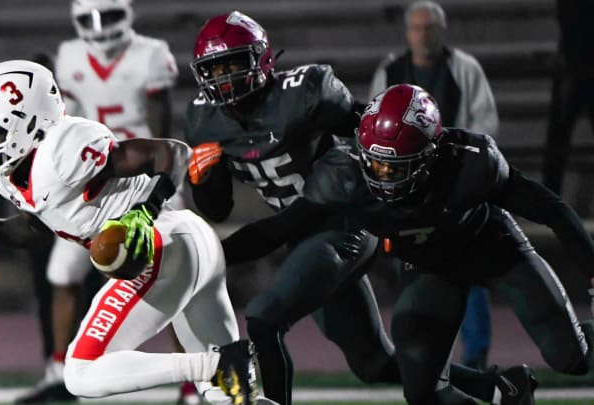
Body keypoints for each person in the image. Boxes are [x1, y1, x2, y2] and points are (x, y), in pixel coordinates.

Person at [185, 11, 536, 405]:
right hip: (301, 235)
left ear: (263, 58)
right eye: (214, 68)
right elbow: (217, 208)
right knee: (373, 363)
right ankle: (502, 389)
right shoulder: (203, 119)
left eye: (233, 63)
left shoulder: (306, 92)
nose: (225, 77)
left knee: (265, 320)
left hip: (344, 222)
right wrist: (206, 180)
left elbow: (376, 133)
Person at [0, 59, 260, 405]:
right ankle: (221, 367)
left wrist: (144, 211)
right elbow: (35, 229)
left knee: (81, 372)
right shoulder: (13, 176)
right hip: (186, 244)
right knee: (229, 398)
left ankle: (215, 362)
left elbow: (171, 151)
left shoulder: (62, 149)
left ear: (29, 123)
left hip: (161, 244)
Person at [284, 83, 592, 404]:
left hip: (491, 248)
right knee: (421, 391)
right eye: (375, 162)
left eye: (396, 165)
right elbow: (281, 227)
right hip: (431, 266)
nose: (384, 175)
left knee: (570, 358)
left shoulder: (470, 162)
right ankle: (510, 392)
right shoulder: (346, 176)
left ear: (430, 153)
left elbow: (552, 209)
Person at [16, 0, 182, 402]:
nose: (98, 26)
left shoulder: (151, 53)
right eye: (89, 18)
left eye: (107, 15)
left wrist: (164, 186)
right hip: (92, 180)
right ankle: (59, 372)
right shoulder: (70, 56)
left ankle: (193, 380)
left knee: (174, 275)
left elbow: (161, 127)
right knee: (61, 276)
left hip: (143, 175)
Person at [369, 0, 499, 369]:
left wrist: (463, 170)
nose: (424, 35)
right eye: (418, 28)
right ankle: (422, 357)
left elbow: (485, 125)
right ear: (408, 32)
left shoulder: (464, 68)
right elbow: (373, 123)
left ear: (441, 31)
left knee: (469, 272)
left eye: (430, 28)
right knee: (413, 271)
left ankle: (473, 356)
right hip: (406, 191)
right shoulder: (391, 70)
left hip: (457, 188)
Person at [542, 0, 594, 196]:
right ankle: (549, 198)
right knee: (557, 139)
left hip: (574, 63)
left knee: (557, 139)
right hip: (574, 64)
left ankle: (549, 199)